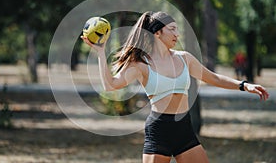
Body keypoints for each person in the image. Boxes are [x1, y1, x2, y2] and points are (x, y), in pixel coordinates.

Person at [81, 11, 269, 163]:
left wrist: (244, 85)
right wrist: (100, 52)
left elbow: (213, 78)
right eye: (172, 29)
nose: (177, 34)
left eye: (177, 30)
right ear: (157, 33)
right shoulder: (141, 65)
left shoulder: (184, 58)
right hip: (159, 131)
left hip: (184, 128)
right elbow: (110, 85)